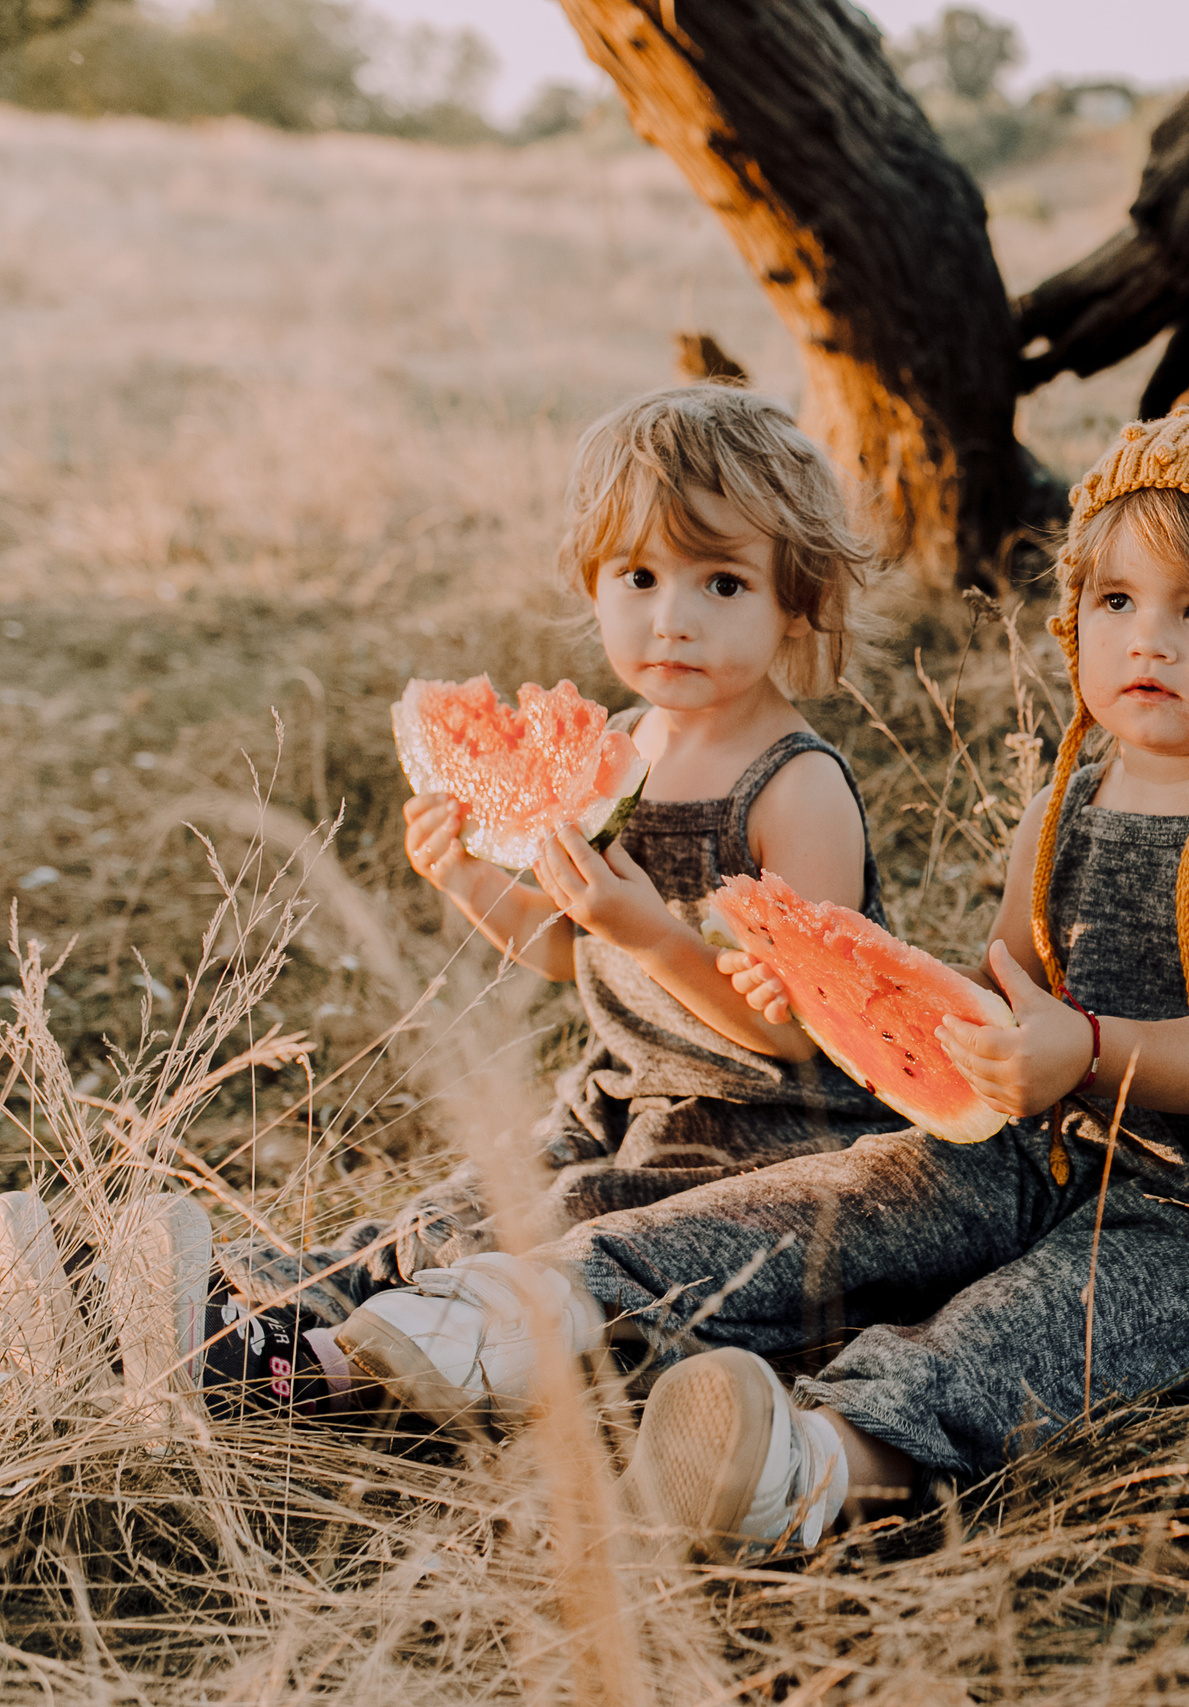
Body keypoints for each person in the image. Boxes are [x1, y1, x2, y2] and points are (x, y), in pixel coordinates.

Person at [239, 393, 1189, 1566]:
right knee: (811, 1211)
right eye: (1116, 602)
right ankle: (516, 1311)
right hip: (1016, 1142)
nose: (1149, 642)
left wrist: (1081, 1051)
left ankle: (806, 1461)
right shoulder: (1058, 805)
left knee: (1031, 1334)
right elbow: (997, 988)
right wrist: (850, 990)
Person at [0, 383, 900, 1426]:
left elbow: (800, 1036)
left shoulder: (797, 788)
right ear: (592, 581)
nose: (672, 618)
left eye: (724, 583)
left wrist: (650, 934)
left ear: (797, 599)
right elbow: (568, 948)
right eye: (640, 576)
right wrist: (471, 880)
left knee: (557, 1236)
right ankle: (156, 1309)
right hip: (623, 1102)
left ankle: (274, 1371)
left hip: (767, 1138)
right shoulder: (621, 744)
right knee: (442, 1217)